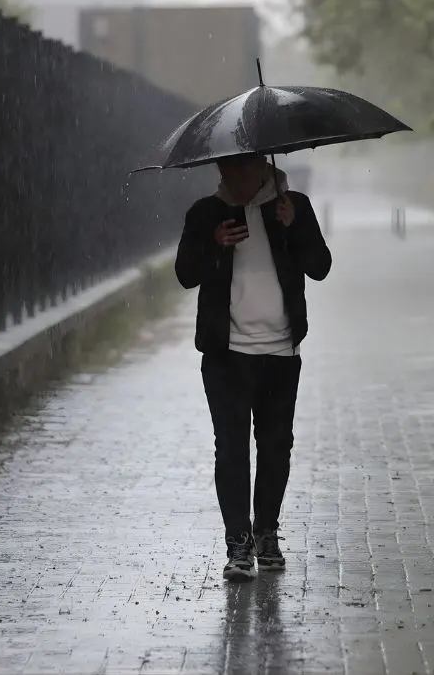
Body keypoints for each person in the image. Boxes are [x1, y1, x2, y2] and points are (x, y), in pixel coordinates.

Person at [175, 154, 332, 582]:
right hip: (226, 355)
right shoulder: (206, 213)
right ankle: (238, 544)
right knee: (230, 450)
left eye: (244, 169)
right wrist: (214, 244)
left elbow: (320, 267)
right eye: (227, 170)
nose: (236, 178)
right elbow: (185, 274)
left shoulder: (292, 206)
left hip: (281, 352)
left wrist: (293, 225)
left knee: (276, 446)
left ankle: (266, 533)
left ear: (263, 165)